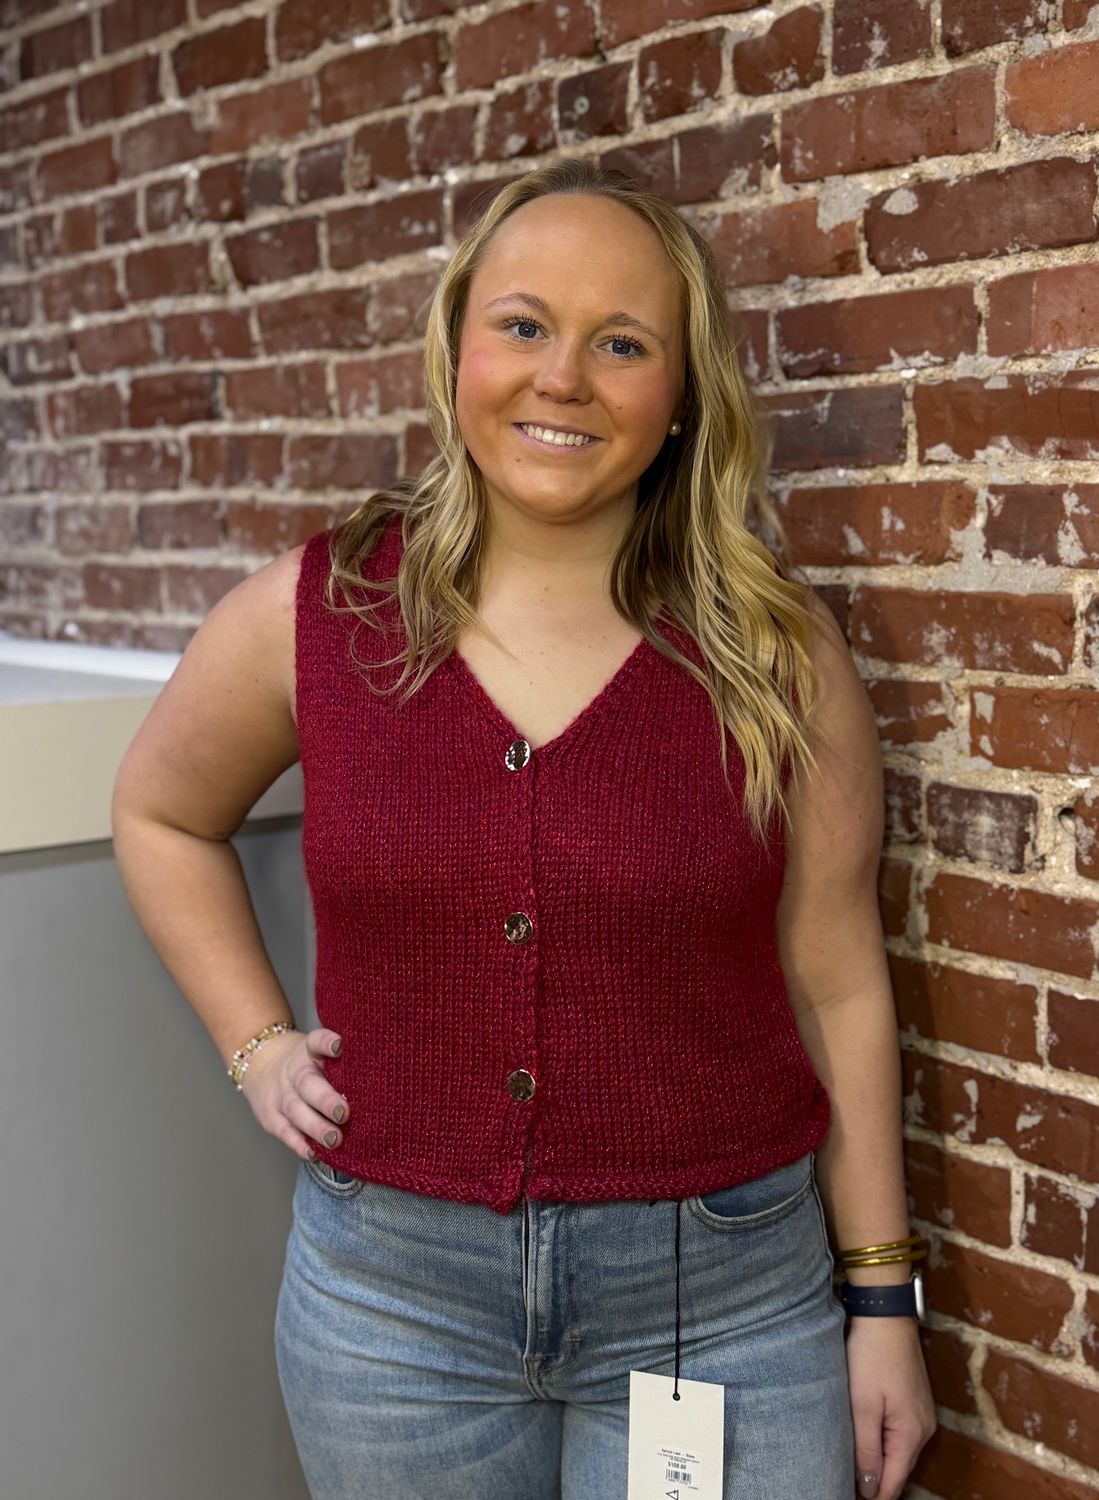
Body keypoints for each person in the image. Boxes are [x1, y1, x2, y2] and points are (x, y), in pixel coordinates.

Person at [112, 158, 936, 1499]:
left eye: (622, 344)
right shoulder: (313, 617)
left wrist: (883, 1302)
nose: (564, 376)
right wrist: (256, 1042)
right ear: (453, 351)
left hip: (719, 1306)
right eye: (523, 325)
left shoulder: (773, 657)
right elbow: (158, 811)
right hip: (391, 1313)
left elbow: (837, 980)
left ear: (678, 400)